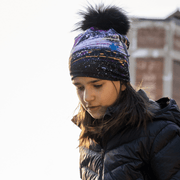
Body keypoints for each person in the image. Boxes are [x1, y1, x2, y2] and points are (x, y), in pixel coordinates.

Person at [69, 4, 180, 180]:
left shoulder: (161, 133)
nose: (87, 97)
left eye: (97, 85)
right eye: (79, 87)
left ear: (122, 82)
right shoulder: (88, 141)